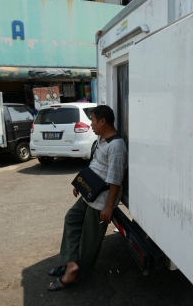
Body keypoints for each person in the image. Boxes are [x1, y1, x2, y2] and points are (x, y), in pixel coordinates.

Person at [47, 105, 127, 291]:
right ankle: (71, 263)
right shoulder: (102, 139)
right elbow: (95, 164)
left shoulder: (116, 147)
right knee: (71, 218)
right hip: (90, 192)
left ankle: (75, 274)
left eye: (92, 120)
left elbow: (115, 180)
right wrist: (80, 183)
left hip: (102, 200)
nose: (90, 124)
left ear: (102, 121)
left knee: (90, 241)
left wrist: (109, 207)